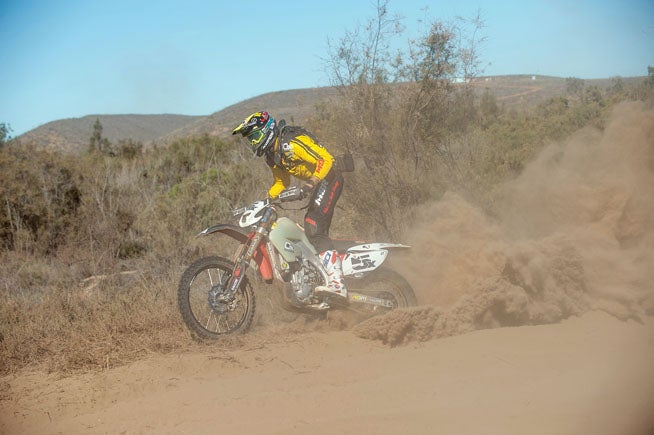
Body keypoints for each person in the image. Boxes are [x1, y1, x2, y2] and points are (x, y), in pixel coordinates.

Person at [232, 111, 347, 300]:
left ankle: (338, 286)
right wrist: (265, 201)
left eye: (254, 137)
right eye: (250, 139)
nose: (253, 142)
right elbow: (281, 182)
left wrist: (311, 183)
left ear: (266, 130)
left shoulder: (291, 142)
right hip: (318, 184)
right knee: (306, 232)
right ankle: (315, 276)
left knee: (313, 226)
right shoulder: (272, 155)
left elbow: (326, 160)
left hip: (329, 177)